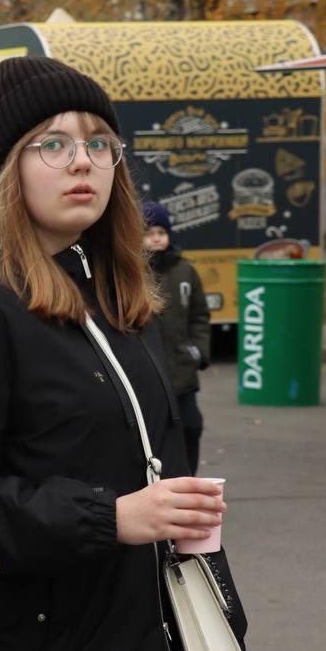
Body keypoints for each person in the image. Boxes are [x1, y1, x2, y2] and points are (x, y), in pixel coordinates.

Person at [0, 57, 259, 651]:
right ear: (10, 169)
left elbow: (177, 494)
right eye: (55, 143)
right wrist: (111, 516)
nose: (83, 161)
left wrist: (220, 639)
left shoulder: (125, 299)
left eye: (100, 142)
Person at [144, 201, 211, 474]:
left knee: (191, 427)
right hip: (148, 373)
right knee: (155, 435)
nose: (156, 237)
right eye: (149, 232)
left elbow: (200, 316)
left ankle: (188, 480)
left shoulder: (185, 271)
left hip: (181, 369)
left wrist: (198, 351)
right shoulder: (131, 271)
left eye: (161, 231)